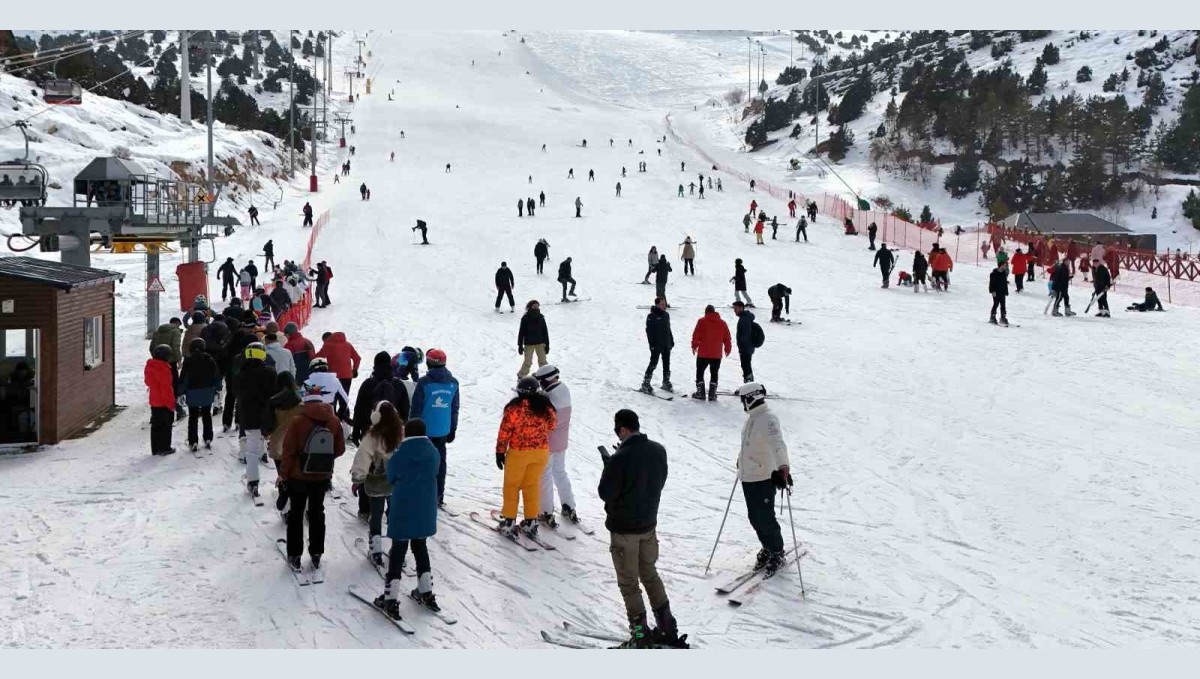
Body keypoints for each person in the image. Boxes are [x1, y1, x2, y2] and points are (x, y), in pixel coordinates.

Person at [598, 409, 685, 649]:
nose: (618, 435)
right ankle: (667, 627)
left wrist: (611, 467)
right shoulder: (658, 450)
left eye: (618, 431)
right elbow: (659, 481)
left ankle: (640, 634)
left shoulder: (619, 459)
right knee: (649, 574)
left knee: (628, 583)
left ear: (624, 429)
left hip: (625, 530)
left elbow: (605, 493)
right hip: (648, 526)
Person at [373, 418, 441, 619]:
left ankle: (390, 598)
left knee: (398, 551)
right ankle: (426, 591)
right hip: (426, 508)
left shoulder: (400, 455)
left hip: (404, 507)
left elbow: (391, 477)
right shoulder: (434, 452)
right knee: (420, 546)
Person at [280, 379, 347, 572]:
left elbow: (288, 451)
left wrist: (283, 474)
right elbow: (340, 449)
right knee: (317, 513)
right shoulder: (333, 421)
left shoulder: (298, 421)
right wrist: (324, 458)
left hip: (298, 477)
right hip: (322, 477)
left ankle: (295, 554)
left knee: (296, 515)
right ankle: (316, 552)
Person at [733, 383, 792, 575]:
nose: (742, 404)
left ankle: (777, 551)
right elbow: (750, 444)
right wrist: (741, 460)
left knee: (765, 517)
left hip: (763, 477)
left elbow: (778, 444)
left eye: (743, 400)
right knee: (754, 517)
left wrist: (783, 467)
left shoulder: (768, 419)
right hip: (749, 476)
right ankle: (767, 546)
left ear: (751, 398)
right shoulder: (752, 418)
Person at [494, 376, 558, 538]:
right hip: (540, 452)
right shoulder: (545, 407)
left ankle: (509, 522)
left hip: (519, 453)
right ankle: (531, 522)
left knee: (512, 486)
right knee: (531, 486)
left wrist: (500, 451)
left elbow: (505, 432)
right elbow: (552, 425)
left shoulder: (514, 409)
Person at [350, 401, 404, 566]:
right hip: (396, 482)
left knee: (376, 514)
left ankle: (375, 550)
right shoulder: (401, 433)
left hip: (377, 482)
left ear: (376, 416)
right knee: (396, 516)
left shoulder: (372, 436)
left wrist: (358, 478)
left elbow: (363, 457)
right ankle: (397, 550)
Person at [410, 349, 460, 508]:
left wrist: (411, 430)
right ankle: (438, 495)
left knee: (422, 464)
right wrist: (453, 429)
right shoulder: (453, 383)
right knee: (440, 463)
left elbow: (416, 409)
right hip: (443, 430)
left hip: (424, 432)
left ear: (429, 362)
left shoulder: (424, 383)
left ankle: (421, 495)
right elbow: (454, 408)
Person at [237, 342, 277, 497]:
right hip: (269, 417)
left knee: (251, 452)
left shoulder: (241, 374)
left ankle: (253, 481)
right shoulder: (271, 372)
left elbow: (236, 393)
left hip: (250, 417)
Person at [264, 372, 303, 518]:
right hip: (297, 444)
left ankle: (285, 501)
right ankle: (295, 504)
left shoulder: (273, 402)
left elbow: (268, 425)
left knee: (282, 473)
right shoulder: (301, 401)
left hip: (278, 444)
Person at [315, 331, 361, 421]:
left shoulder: (328, 345)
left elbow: (317, 358)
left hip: (332, 377)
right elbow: (357, 358)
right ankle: (342, 416)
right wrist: (355, 370)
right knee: (343, 396)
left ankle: (333, 418)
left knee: (332, 398)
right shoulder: (347, 344)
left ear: (326, 339)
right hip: (347, 376)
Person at [690, 304, 731, 401]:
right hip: (716, 354)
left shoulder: (701, 321)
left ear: (706, 312)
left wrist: (694, 346)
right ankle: (712, 394)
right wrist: (727, 349)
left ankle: (701, 393)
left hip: (703, 353)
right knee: (714, 372)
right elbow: (727, 338)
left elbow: (696, 335)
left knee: (700, 372)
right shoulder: (723, 323)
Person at [145, 344, 177, 456]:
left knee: (156, 426)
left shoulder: (150, 366)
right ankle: (165, 448)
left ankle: (155, 448)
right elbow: (166, 389)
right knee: (166, 427)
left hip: (154, 400)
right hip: (164, 402)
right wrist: (171, 404)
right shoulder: (164, 369)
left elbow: (148, 382)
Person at [642, 297, 674, 393]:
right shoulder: (651, 316)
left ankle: (666, 382)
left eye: (665, 304)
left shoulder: (666, 315)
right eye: (662, 304)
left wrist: (671, 340)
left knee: (666, 364)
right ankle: (646, 383)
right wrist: (651, 344)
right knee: (653, 363)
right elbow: (649, 332)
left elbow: (668, 329)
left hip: (666, 344)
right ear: (657, 305)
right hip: (656, 345)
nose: (664, 306)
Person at [517, 300, 550, 377]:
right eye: (534, 306)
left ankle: (545, 375)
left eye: (537, 306)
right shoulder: (525, 318)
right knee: (527, 362)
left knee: (543, 361)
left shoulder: (541, 317)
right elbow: (521, 333)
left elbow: (545, 332)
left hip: (540, 343)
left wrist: (547, 344)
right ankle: (521, 376)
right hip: (529, 344)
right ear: (530, 307)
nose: (536, 307)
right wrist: (520, 345)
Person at [732, 301, 756, 383]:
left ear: (741, 308)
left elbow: (745, 334)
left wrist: (742, 347)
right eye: (734, 309)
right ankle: (748, 384)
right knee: (746, 365)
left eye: (736, 308)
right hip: (747, 347)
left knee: (746, 366)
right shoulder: (745, 317)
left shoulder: (744, 318)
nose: (734, 310)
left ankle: (749, 384)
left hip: (746, 348)